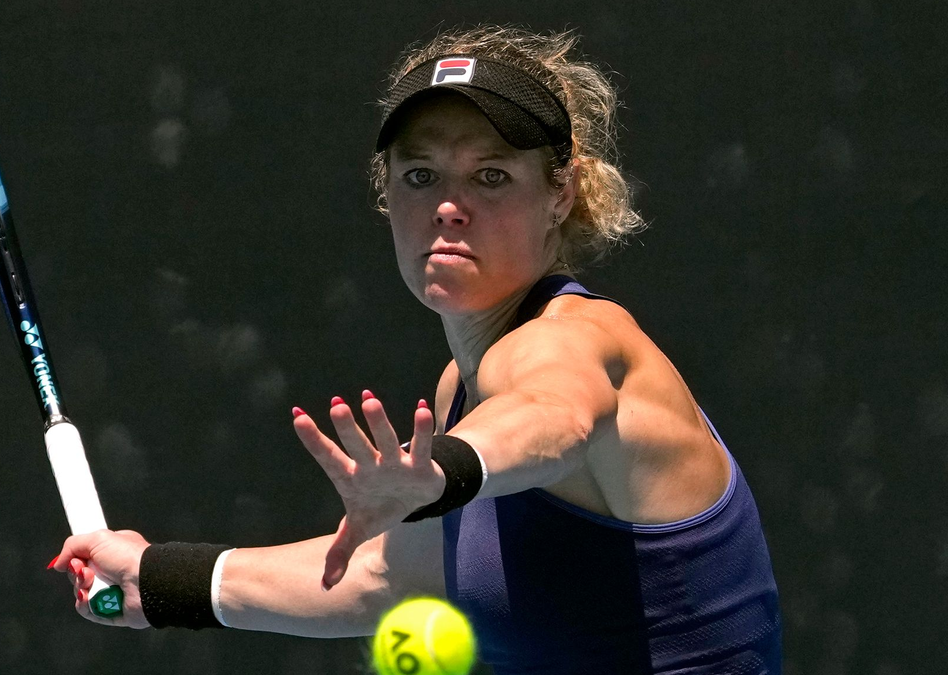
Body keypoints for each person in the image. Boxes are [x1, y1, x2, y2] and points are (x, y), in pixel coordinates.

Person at [49, 26, 783, 674]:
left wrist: (447, 471)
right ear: (387, 194)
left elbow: (555, 416)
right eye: (420, 174)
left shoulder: (580, 338)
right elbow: (389, 577)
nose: (448, 203)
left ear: (562, 192)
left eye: (490, 175)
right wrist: (162, 580)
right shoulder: (457, 387)